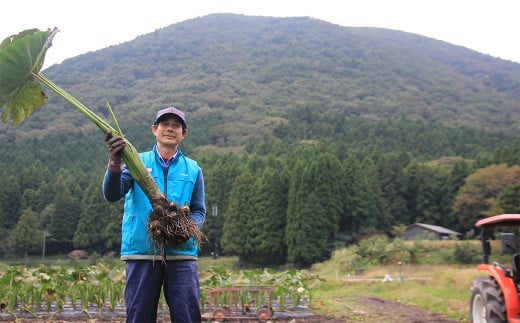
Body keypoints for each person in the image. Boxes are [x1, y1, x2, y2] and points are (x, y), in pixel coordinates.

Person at [102, 107, 206, 323]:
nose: (170, 128)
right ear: (154, 130)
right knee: (139, 316)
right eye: (164, 124)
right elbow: (112, 194)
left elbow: (199, 210)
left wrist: (187, 229)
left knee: (187, 316)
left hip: (182, 254)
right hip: (142, 252)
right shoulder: (136, 161)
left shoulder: (193, 169)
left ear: (183, 133)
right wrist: (114, 162)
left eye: (176, 125)